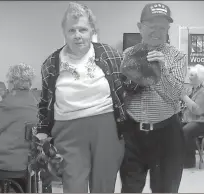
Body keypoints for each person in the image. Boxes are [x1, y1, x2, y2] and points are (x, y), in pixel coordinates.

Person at [36, 2, 142, 193]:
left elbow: (130, 85)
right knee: (73, 186)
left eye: (83, 29)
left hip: (106, 129)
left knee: (103, 186)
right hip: (67, 132)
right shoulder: (51, 64)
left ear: (92, 30)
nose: (77, 35)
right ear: (64, 32)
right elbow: (45, 102)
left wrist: (143, 67)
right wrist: (43, 131)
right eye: (72, 30)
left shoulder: (109, 54)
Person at [119, 3, 187, 193]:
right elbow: (122, 91)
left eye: (162, 27)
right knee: (130, 188)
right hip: (133, 133)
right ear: (140, 27)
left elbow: (174, 95)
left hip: (167, 134)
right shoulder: (128, 54)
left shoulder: (177, 57)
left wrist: (161, 69)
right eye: (151, 26)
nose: (157, 32)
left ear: (168, 30)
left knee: (165, 189)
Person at [0, 63, 38, 192]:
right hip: (29, 162)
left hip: (5, 163)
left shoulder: (5, 106)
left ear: (11, 83)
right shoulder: (35, 103)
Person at [181, 64, 204, 168]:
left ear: (199, 77)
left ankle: (188, 162)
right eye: (189, 75)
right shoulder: (193, 90)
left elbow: (199, 110)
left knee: (186, 131)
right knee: (171, 127)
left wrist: (185, 98)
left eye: (192, 75)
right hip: (195, 120)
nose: (189, 77)